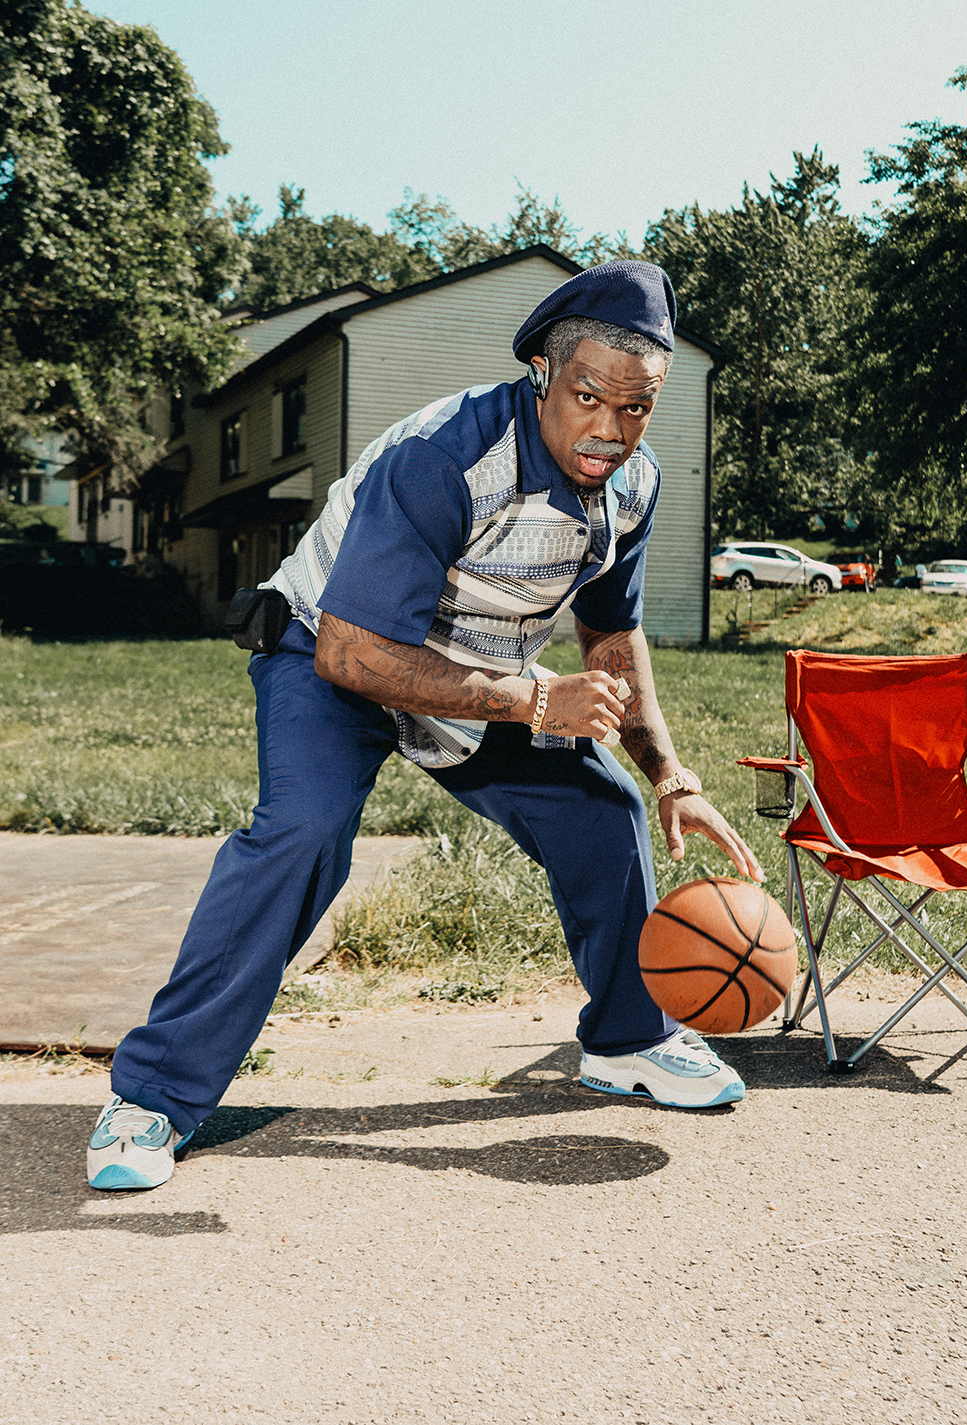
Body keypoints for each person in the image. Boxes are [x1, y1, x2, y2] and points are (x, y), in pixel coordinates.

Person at [87, 261, 761, 1192]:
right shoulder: (445, 457)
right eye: (588, 396)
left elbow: (611, 637)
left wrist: (670, 774)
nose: (610, 427)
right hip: (329, 653)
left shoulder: (630, 488)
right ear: (542, 373)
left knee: (602, 813)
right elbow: (354, 658)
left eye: (638, 406)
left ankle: (629, 1036)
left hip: (473, 675)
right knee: (303, 836)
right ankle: (154, 1095)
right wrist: (532, 700)